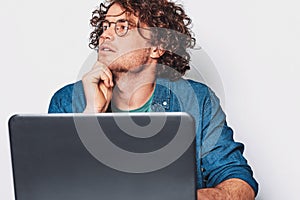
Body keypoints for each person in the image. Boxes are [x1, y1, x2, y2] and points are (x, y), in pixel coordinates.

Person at [48, 0, 258, 199]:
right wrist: (91, 115)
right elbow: (54, 188)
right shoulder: (67, 102)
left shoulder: (198, 101)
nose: (106, 35)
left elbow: (239, 182)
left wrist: (177, 197)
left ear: (157, 47)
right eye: (105, 26)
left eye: (123, 26)